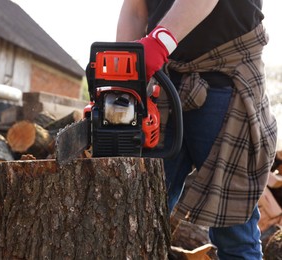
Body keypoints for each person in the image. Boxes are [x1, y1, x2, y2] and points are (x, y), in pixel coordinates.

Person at [116, 0, 278, 259]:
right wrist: (122, 75)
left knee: (235, 236)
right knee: (139, 224)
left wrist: (159, 41)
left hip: (227, 78)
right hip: (163, 83)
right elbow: (136, 9)